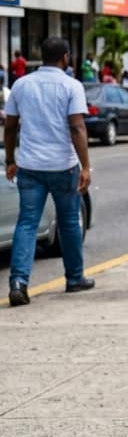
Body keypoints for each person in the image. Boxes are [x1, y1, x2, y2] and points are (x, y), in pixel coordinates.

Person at [3, 38, 94, 306]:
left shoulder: (21, 85)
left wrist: (10, 159)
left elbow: (10, 126)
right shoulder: (72, 86)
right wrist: (85, 166)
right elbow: (77, 127)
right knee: (69, 222)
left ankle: (18, 283)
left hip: (30, 166)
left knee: (27, 223)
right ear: (65, 57)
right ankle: (74, 278)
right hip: (63, 166)